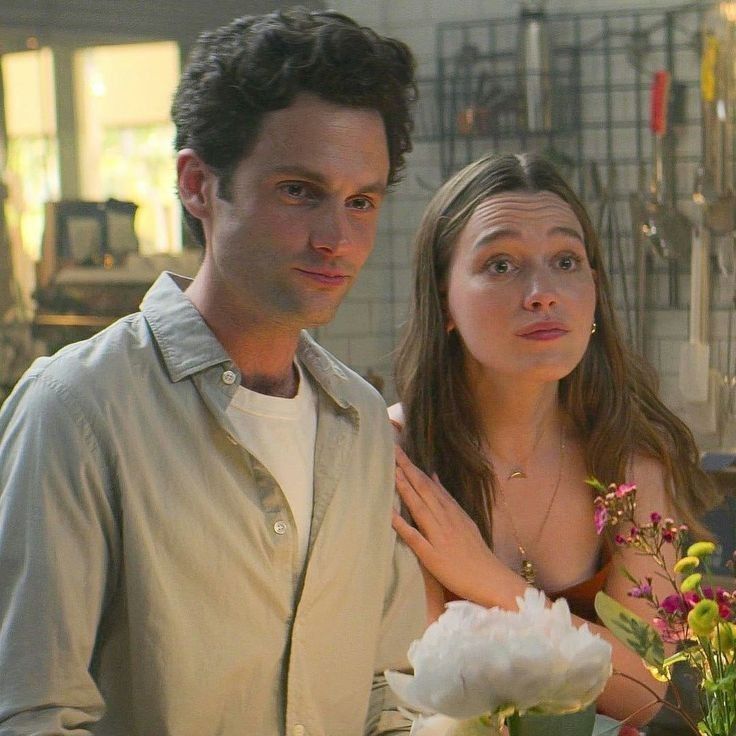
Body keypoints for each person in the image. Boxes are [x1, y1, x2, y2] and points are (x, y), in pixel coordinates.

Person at [0, 9, 426, 735]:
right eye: (299, 191)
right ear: (198, 185)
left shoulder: (359, 423)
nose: (337, 239)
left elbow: (384, 693)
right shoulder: (76, 411)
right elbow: (34, 716)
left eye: (362, 201)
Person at [388, 152, 718, 727]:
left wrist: (487, 581)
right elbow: (425, 692)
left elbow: (647, 691)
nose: (543, 292)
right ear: (443, 299)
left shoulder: (631, 465)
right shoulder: (397, 459)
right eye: (500, 265)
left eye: (566, 260)